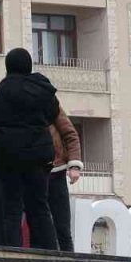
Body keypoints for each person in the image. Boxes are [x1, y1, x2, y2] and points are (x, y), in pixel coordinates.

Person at [0, 48, 61, 250]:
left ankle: (13, 254)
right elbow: (53, 112)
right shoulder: (42, 88)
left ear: (8, 65)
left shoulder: (2, 90)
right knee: (40, 206)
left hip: (9, 155)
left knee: (12, 208)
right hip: (39, 153)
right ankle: (51, 252)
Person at [47, 107, 83, 252]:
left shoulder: (50, 103)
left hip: (56, 173)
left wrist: (74, 165)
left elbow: (70, 134)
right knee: (39, 228)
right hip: (31, 174)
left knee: (63, 229)